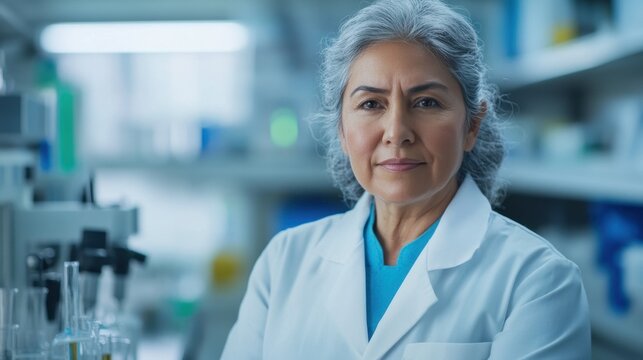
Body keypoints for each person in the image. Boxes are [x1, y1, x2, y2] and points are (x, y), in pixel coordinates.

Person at [222, 0, 591, 358]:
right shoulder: (283, 262)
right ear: (341, 130)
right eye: (371, 104)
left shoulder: (538, 281)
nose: (396, 132)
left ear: (472, 125)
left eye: (426, 102)